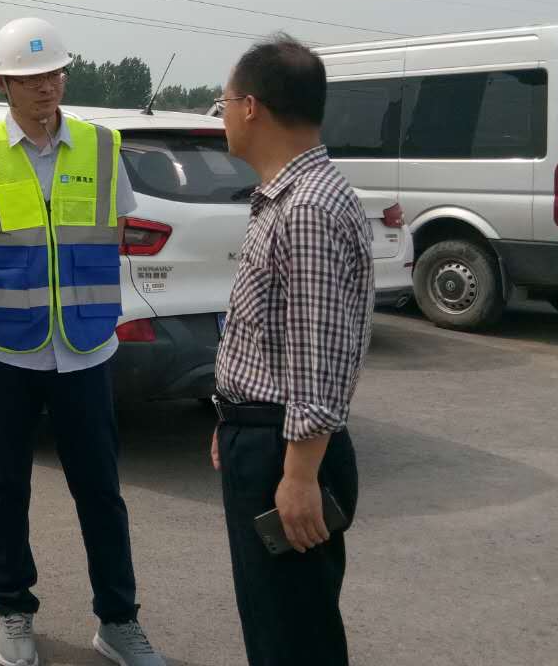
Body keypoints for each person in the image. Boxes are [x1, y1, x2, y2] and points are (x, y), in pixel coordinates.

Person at [0, 18, 166, 666]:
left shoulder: (100, 147)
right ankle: (13, 613)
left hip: (85, 349)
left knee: (101, 491)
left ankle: (118, 621)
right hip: (7, 351)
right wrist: (1, 299)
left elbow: (114, 230)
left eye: (55, 73)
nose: (47, 86)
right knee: (7, 488)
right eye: (32, 77)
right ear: (4, 84)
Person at [212, 35, 372, 666]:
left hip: (287, 450)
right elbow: (273, 334)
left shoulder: (305, 208)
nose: (222, 116)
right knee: (277, 621)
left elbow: (316, 354)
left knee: (293, 637)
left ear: (251, 106)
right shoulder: (294, 195)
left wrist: (300, 475)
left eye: (224, 103)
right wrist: (231, 417)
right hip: (263, 434)